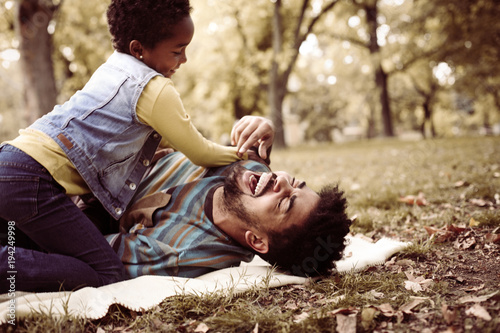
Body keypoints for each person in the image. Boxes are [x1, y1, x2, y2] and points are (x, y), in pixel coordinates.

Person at [0, 0, 272, 293]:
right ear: (138, 48)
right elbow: (200, 152)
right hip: (32, 180)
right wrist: (247, 154)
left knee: (37, 243)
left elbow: (172, 145)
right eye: (177, 51)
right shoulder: (156, 90)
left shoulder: (113, 68)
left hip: (11, 162)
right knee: (107, 274)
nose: (184, 60)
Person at [106, 148, 352, 278]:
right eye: (295, 182)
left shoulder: (179, 252)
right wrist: (259, 126)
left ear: (256, 240)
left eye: (285, 203)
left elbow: (92, 248)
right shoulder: (250, 169)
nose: (281, 181)